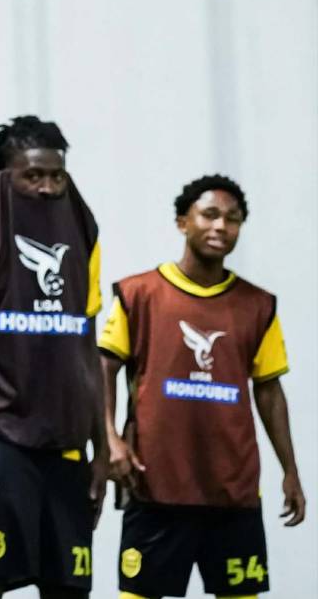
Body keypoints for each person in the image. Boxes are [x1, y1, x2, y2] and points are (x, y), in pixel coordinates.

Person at [98, 174, 306, 599]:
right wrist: (110, 439)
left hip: (231, 493)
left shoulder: (257, 306)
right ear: (182, 222)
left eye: (232, 219)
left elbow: (268, 390)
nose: (220, 227)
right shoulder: (139, 294)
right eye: (209, 215)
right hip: (154, 487)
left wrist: (291, 470)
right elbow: (102, 367)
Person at [0, 115, 108, 598]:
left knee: (69, 588)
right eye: (33, 175)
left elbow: (86, 348)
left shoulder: (82, 237)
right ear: (3, 178)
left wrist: (101, 447)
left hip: (67, 447)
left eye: (57, 175)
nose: (48, 187)